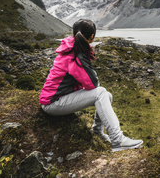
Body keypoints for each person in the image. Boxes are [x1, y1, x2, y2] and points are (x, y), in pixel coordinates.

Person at [39, 19, 143, 152]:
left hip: (56, 98)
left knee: (107, 95)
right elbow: (93, 84)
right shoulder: (77, 55)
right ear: (92, 37)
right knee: (100, 93)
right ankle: (118, 140)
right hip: (52, 103)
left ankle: (97, 131)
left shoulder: (71, 48)